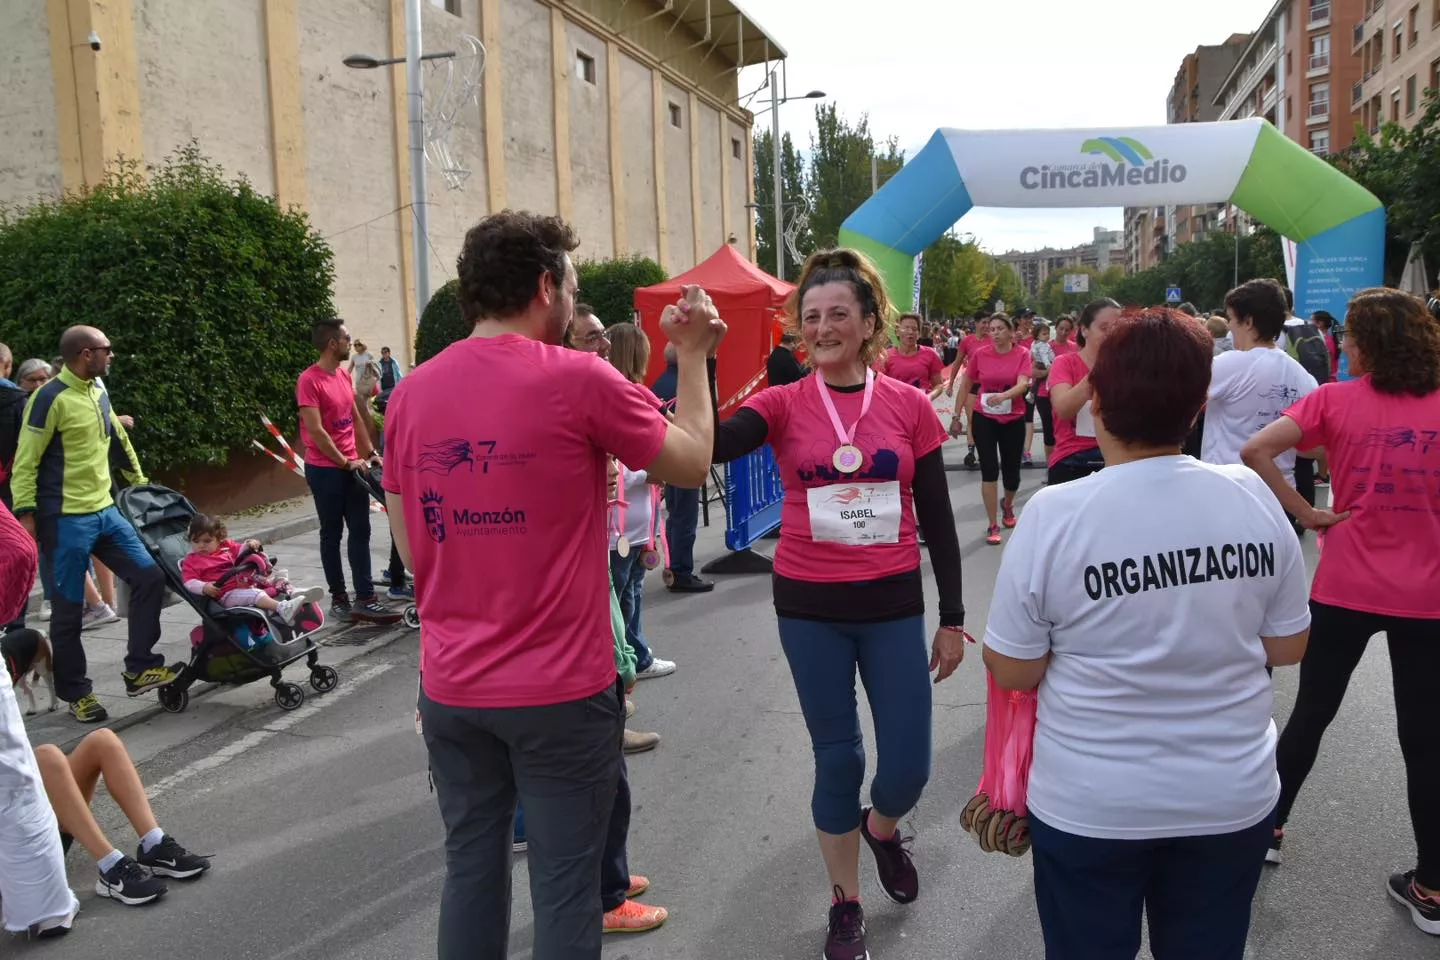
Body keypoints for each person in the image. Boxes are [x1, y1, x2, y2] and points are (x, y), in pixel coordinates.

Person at [381, 210, 721, 960]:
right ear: (545, 286)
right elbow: (693, 460)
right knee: (566, 886)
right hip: (560, 690)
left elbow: (411, 547)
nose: (572, 301)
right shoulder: (579, 379)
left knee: (471, 869)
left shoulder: (409, 395)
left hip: (453, 689)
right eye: (569, 284)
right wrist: (692, 355)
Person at [984, 307, 1311, 960]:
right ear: (1198, 406)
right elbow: (1286, 647)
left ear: (1097, 400)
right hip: (1228, 795)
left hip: (1092, 803)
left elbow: (1014, 669)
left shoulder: (1055, 514)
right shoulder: (1251, 495)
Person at [710, 248, 966, 960]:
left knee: (909, 765)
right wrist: (699, 361)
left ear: (869, 322)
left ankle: (881, 831)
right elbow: (715, 446)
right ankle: (845, 901)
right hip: (809, 607)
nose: (822, 327)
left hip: (890, 606)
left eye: (837, 314)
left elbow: (940, 520)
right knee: (837, 759)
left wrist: (952, 618)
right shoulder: (784, 401)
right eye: (811, 316)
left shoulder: (909, 405)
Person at [1241, 287, 1440, 936]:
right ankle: (1433, 887)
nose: (1343, 345)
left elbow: (1255, 451)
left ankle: (1267, 828)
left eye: (1351, 335)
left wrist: (1307, 514)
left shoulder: (1334, 400)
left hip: (1347, 584)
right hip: (1429, 599)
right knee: (1426, 737)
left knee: (1314, 712)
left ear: (1371, 342)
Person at [10, 326, 175, 724]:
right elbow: (25, 460)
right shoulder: (47, 398)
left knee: (150, 576)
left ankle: (139, 666)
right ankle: (76, 693)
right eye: (106, 350)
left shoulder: (97, 389)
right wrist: (27, 516)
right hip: (64, 520)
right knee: (68, 611)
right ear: (86, 354)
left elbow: (117, 437)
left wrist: (138, 483)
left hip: (106, 512)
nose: (111, 355)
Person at [296, 319, 398, 624]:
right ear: (332, 343)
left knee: (361, 530)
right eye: (346, 338)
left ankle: (365, 598)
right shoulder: (309, 381)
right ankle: (339, 599)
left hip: (353, 465)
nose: (349, 342)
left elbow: (355, 416)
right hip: (326, 469)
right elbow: (315, 431)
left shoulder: (342, 374)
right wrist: (343, 461)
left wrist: (370, 453)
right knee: (332, 533)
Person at [605, 324, 677, 683]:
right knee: (620, 600)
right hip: (618, 525)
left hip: (634, 526)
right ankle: (627, 662)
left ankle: (635, 656)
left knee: (630, 593)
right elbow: (619, 467)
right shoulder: (619, 400)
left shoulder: (636, 396)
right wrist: (653, 472)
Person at [1203, 280, 1318, 498]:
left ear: (1248, 321)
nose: (1229, 327)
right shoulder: (1303, 377)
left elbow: (1178, 398)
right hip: (1281, 497)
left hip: (1231, 492)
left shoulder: (1229, 365)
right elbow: (1312, 447)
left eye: (1231, 319)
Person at [955, 314, 1031, 545]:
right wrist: (956, 416)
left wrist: (1004, 396)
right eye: (992, 329)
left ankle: (1007, 505)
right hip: (984, 417)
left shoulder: (1022, 354)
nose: (995, 332)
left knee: (1012, 473)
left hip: (1013, 418)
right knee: (989, 471)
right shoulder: (980, 354)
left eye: (1000, 328)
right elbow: (967, 384)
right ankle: (992, 523)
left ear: (1010, 331)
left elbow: (1023, 383)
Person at [651, 343, 715, 594]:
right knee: (685, 518)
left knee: (676, 517)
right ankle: (681, 571)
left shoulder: (660, 382)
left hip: (667, 457)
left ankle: (674, 566)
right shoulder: (685, 386)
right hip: (681, 456)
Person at [180, 514, 323, 624]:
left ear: (219, 539)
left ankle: (293, 593)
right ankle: (282, 608)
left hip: (244, 582)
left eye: (207, 541)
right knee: (254, 595)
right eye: (196, 541)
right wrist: (204, 587)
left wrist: (250, 544)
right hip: (226, 594)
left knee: (277, 578)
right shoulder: (192, 561)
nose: (201, 545)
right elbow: (189, 581)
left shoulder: (226, 547)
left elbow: (242, 550)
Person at [1046, 299, 1119, 487]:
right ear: (1084, 329)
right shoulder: (1064, 363)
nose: (1112, 335)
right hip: (1073, 458)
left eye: (1118, 329)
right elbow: (1063, 409)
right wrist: (1098, 372)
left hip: (1118, 458)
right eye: (1104, 328)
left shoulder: (1129, 366)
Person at [944, 312, 993, 463]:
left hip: (989, 385)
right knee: (972, 420)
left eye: (988, 323)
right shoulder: (967, 341)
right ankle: (971, 451)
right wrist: (951, 383)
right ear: (976, 323)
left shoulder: (993, 339)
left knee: (988, 420)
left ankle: (987, 448)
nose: (986, 326)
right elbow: (957, 362)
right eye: (983, 322)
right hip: (971, 383)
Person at [879, 313, 944, 393]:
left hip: (921, 403)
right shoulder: (885, 356)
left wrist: (928, 397)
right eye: (906, 328)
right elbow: (879, 386)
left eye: (914, 329)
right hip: (894, 404)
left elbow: (939, 385)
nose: (910, 332)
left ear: (919, 334)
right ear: (897, 332)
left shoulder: (931, 354)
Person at [1029, 321, 1057, 464]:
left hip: (1060, 392)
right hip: (1043, 394)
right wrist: (1049, 370)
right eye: (1043, 334)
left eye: (1067, 329)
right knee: (1048, 427)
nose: (1063, 332)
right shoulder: (1040, 346)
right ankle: (1050, 464)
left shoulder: (1072, 346)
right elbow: (1031, 370)